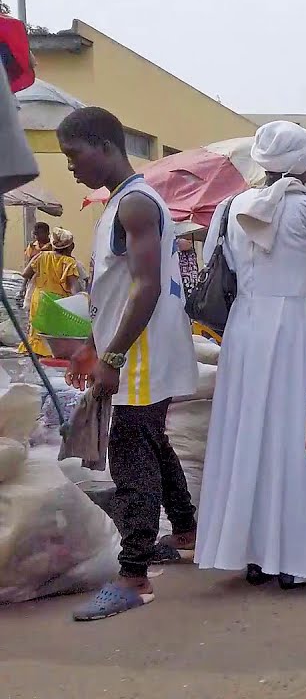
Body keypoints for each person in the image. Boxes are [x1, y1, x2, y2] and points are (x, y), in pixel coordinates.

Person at [56, 106, 199, 620]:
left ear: (106, 146)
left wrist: (113, 356)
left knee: (131, 455)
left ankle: (134, 575)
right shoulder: (123, 204)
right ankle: (185, 531)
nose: (71, 166)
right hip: (135, 347)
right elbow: (115, 288)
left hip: (140, 352)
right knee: (154, 441)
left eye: (75, 155)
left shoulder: (135, 205)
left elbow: (146, 285)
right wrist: (95, 345)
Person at [194, 121, 306, 588]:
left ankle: (252, 554)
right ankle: (293, 561)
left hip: (243, 328)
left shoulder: (228, 208)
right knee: (295, 436)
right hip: (295, 327)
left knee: (246, 435)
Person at [21, 226, 83, 357]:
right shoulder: (69, 262)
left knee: (37, 332)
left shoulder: (42, 256)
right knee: (53, 335)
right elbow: (74, 287)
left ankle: (35, 357)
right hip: (58, 303)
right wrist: (79, 301)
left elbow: (26, 273)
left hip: (39, 298)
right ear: (70, 247)